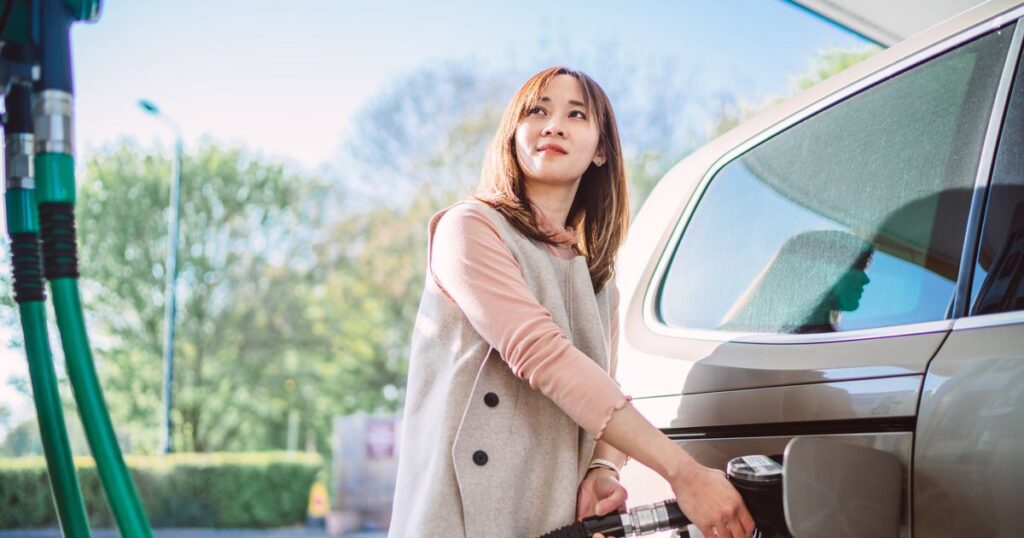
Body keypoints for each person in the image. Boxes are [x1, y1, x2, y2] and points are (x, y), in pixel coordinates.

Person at [389, 66, 754, 538]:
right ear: (513, 134)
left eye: (576, 114)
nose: (553, 125)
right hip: (455, 515)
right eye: (537, 110)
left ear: (602, 150)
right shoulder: (470, 227)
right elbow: (541, 354)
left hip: (550, 519)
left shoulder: (599, 280)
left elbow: (606, 387)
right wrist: (682, 472)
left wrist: (604, 466)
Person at [719, 230, 873, 334]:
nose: (866, 279)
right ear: (815, 271)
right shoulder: (733, 344)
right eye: (857, 266)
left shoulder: (831, 345)